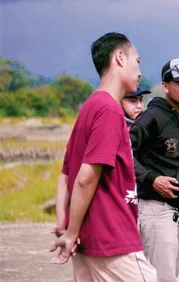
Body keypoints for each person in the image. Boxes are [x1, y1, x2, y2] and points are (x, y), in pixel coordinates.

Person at [49, 32, 157, 281]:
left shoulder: (90, 106)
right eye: (137, 60)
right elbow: (85, 178)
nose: (140, 71)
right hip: (111, 238)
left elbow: (66, 175)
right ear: (120, 58)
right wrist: (71, 232)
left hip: (90, 241)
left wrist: (64, 225)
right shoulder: (109, 109)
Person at [130, 58, 179, 282]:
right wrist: (151, 179)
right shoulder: (151, 117)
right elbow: (121, 152)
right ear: (165, 86)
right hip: (157, 210)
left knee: (172, 274)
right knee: (162, 278)